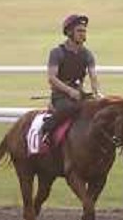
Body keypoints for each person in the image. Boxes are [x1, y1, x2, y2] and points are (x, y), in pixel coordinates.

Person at [41, 14, 103, 144]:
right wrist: (69, 91)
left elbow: (93, 76)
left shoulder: (87, 54)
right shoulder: (57, 53)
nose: (83, 34)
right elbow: (52, 78)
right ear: (69, 32)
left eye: (84, 31)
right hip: (60, 96)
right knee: (71, 108)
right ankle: (45, 131)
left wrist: (97, 93)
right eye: (79, 31)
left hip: (79, 94)